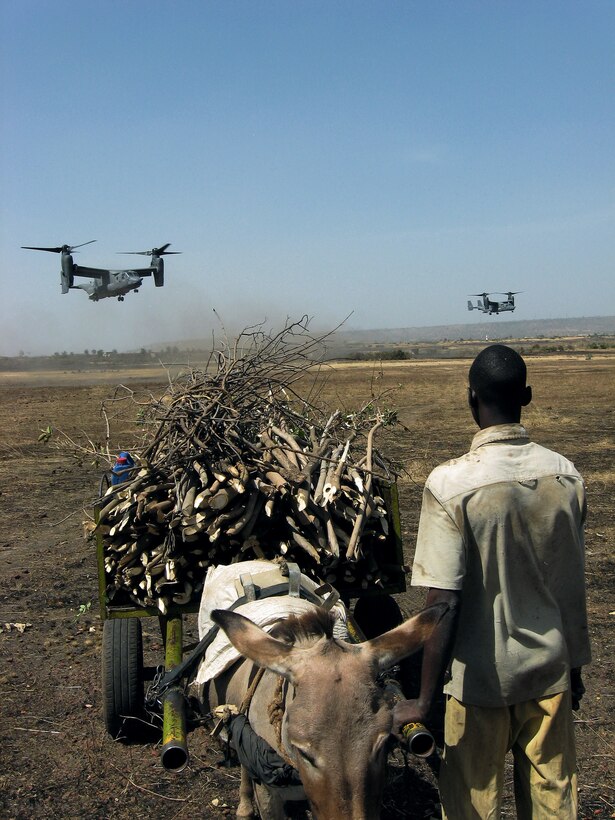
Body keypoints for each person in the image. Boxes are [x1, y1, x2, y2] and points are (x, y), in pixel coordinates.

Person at [394, 344, 591, 819]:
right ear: (527, 395)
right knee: (554, 801)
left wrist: (423, 700)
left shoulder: (450, 485)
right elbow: (570, 587)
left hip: (480, 682)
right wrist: (576, 669)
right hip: (550, 673)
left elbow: (441, 603)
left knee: (472, 806)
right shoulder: (566, 476)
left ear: (471, 400)